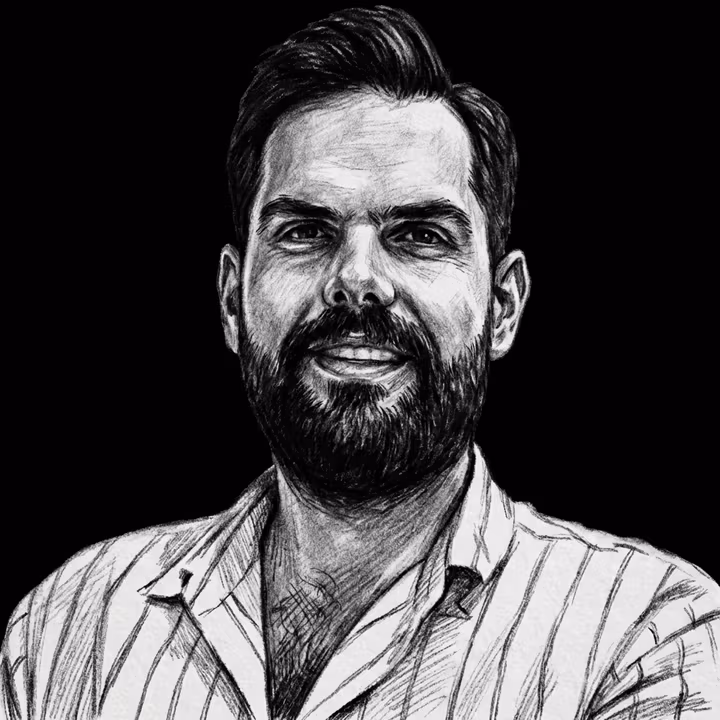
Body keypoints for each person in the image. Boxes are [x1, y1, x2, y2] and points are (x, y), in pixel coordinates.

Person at [2, 6, 718, 720]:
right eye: (305, 231)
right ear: (230, 301)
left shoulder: (646, 634)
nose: (358, 279)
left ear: (502, 307)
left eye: (421, 235)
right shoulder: (68, 629)